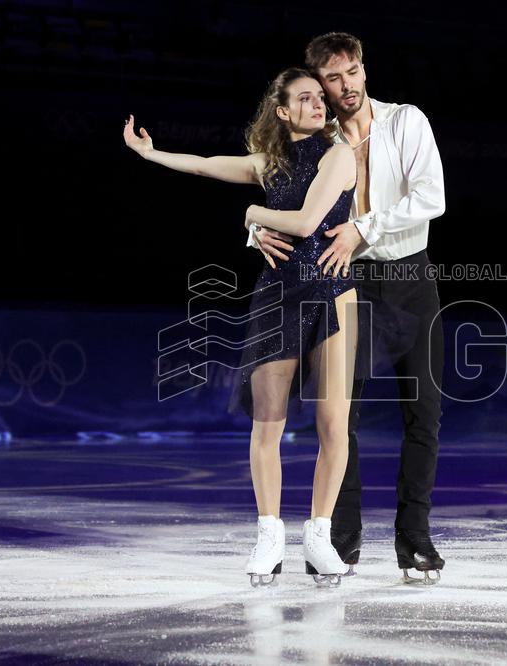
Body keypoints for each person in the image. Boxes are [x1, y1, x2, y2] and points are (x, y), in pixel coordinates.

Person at [124, 67, 362, 587]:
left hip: (332, 294)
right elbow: (208, 166)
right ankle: (269, 536)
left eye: (320, 97)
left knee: (332, 427)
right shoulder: (270, 162)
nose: (319, 105)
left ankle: (319, 536)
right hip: (277, 296)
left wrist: (253, 213)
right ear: (282, 111)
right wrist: (152, 154)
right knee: (267, 424)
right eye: (305, 99)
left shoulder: (339, 154)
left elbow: (303, 223)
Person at [248, 33, 448, 584]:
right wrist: (255, 230)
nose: (347, 86)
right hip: (343, 278)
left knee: (423, 414)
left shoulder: (407, 122)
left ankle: (415, 541)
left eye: (354, 71)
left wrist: (361, 227)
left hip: (408, 274)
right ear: (321, 86)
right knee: (341, 419)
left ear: (364, 70)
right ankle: (340, 541)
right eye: (333, 79)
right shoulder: (314, 138)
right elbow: (274, 191)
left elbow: (432, 197)